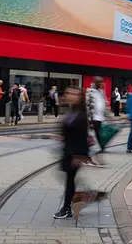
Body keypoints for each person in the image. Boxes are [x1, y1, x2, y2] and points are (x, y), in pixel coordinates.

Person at [54, 87, 90, 220]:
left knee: (70, 180)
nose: (70, 96)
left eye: (74, 94)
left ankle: (67, 208)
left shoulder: (81, 115)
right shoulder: (71, 111)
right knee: (69, 179)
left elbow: (83, 137)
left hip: (75, 153)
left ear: (80, 97)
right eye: (68, 93)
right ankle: (81, 197)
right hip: (68, 151)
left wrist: (80, 156)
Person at [85, 77, 107, 163]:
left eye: (101, 82)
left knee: (95, 138)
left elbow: (104, 104)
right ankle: (97, 158)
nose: (101, 84)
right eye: (99, 82)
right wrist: (89, 120)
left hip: (100, 119)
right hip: (93, 119)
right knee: (95, 138)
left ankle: (91, 156)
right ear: (94, 82)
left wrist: (109, 117)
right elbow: (87, 106)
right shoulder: (90, 91)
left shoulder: (102, 92)